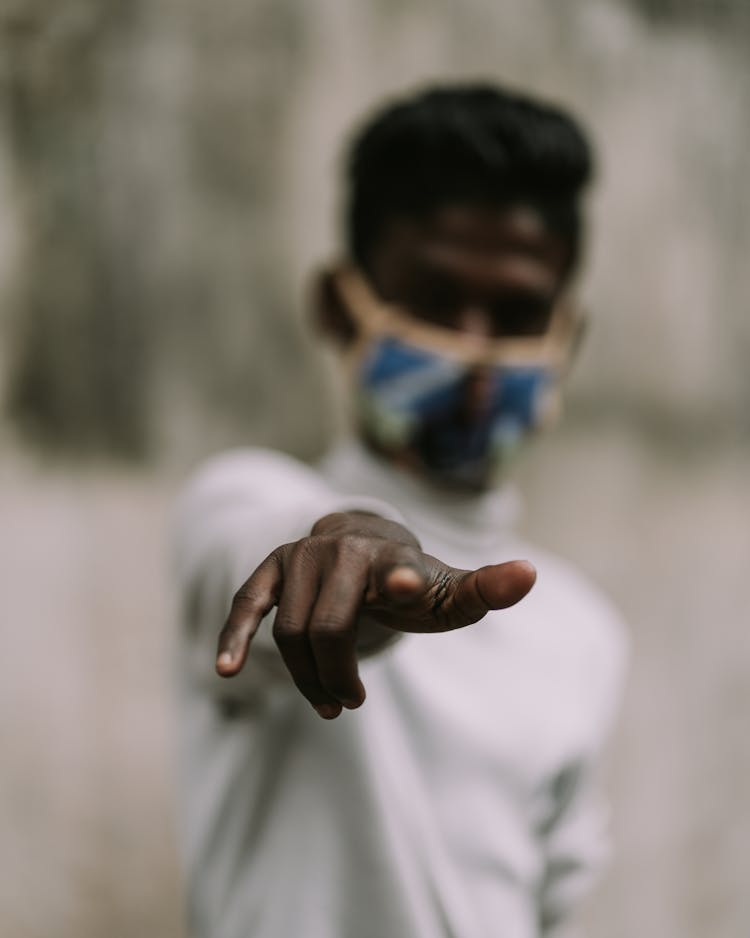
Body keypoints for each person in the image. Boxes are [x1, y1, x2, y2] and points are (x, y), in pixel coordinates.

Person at [173, 83, 628, 938]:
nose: (476, 352)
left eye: (517, 314)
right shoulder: (242, 509)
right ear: (338, 309)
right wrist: (358, 551)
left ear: (569, 339)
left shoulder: (584, 633)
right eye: (433, 302)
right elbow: (291, 569)